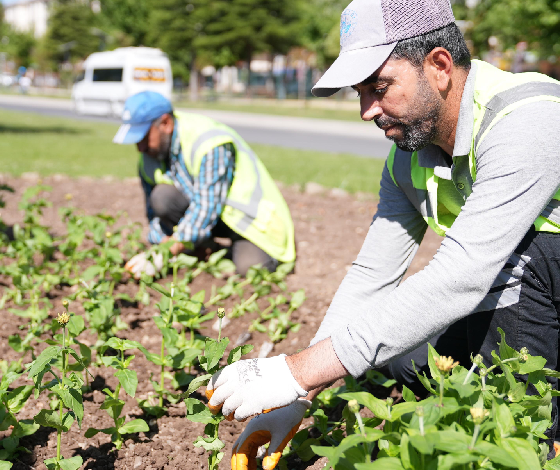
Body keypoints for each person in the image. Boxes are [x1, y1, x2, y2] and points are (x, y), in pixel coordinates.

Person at [205, 0, 560, 467]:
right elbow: (372, 274)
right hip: (523, 292)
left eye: (379, 86)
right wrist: (297, 395)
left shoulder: (529, 116)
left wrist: (296, 372)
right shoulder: (407, 158)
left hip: (530, 273)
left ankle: (537, 431)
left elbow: (466, 272)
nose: (366, 110)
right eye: (360, 92)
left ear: (439, 65)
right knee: (403, 358)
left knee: (515, 260)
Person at [112, 91, 296, 278]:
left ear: (165, 124)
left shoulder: (209, 141)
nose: (140, 148)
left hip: (250, 223)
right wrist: (160, 241)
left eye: (143, 138)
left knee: (250, 269)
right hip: (212, 220)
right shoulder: (148, 158)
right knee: (161, 196)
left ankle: (219, 250)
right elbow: (153, 215)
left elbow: (206, 207)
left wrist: (165, 252)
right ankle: (207, 248)